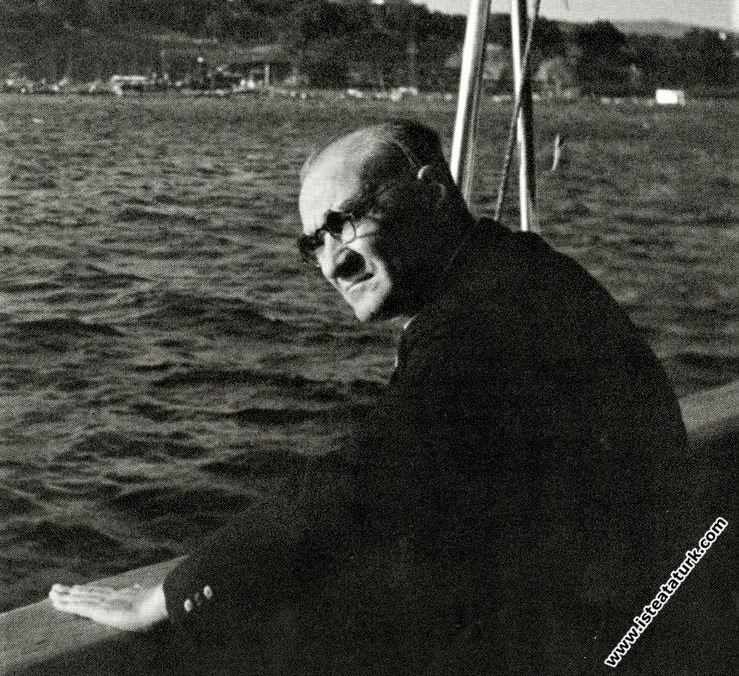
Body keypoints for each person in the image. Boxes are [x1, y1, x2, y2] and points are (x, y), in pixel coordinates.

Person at [49, 120, 731, 674]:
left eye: (343, 224)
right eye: (313, 243)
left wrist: (172, 594)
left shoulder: (481, 319)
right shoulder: (519, 270)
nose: (331, 263)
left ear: (432, 194)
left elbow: (367, 479)